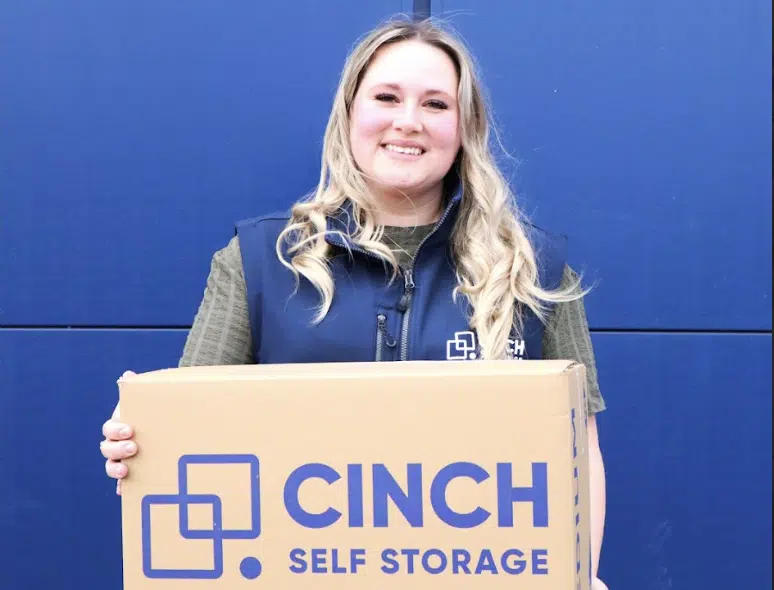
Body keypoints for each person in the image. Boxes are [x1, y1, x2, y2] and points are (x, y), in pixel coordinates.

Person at [100, 16, 608, 589]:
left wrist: (579, 575)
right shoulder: (259, 261)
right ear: (348, 115)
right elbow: (189, 435)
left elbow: (579, 453)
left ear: (466, 127)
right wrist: (143, 441)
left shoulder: (533, 269)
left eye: (436, 104)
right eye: (386, 97)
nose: (408, 121)